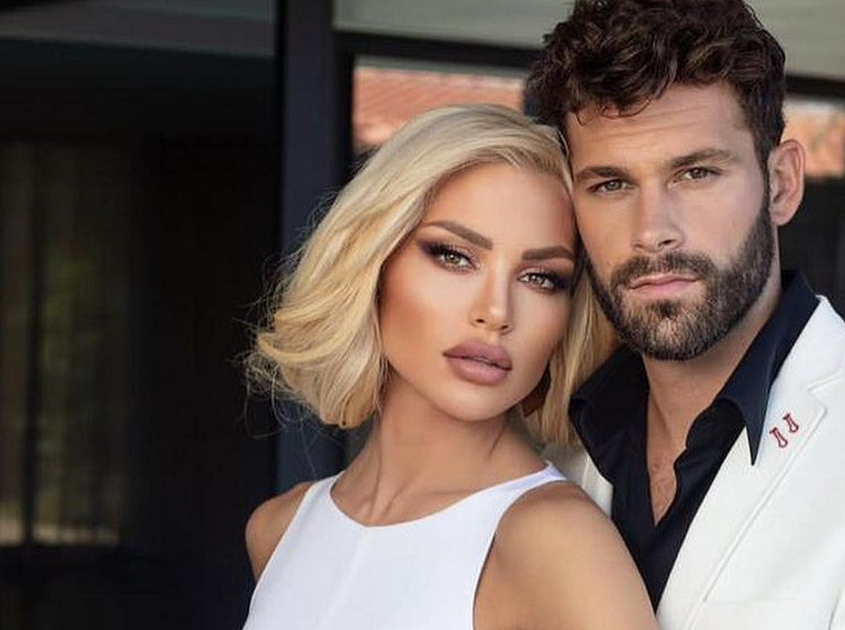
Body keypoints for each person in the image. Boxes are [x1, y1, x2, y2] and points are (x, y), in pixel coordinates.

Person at [528, 1, 845, 628]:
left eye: (696, 173)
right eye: (611, 184)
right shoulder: (563, 448)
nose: (652, 231)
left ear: (782, 183)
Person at [240, 104, 656, 630]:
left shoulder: (553, 540)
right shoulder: (279, 529)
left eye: (541, 278)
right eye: (455, 256)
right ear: (374, 261)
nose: (497, 312)